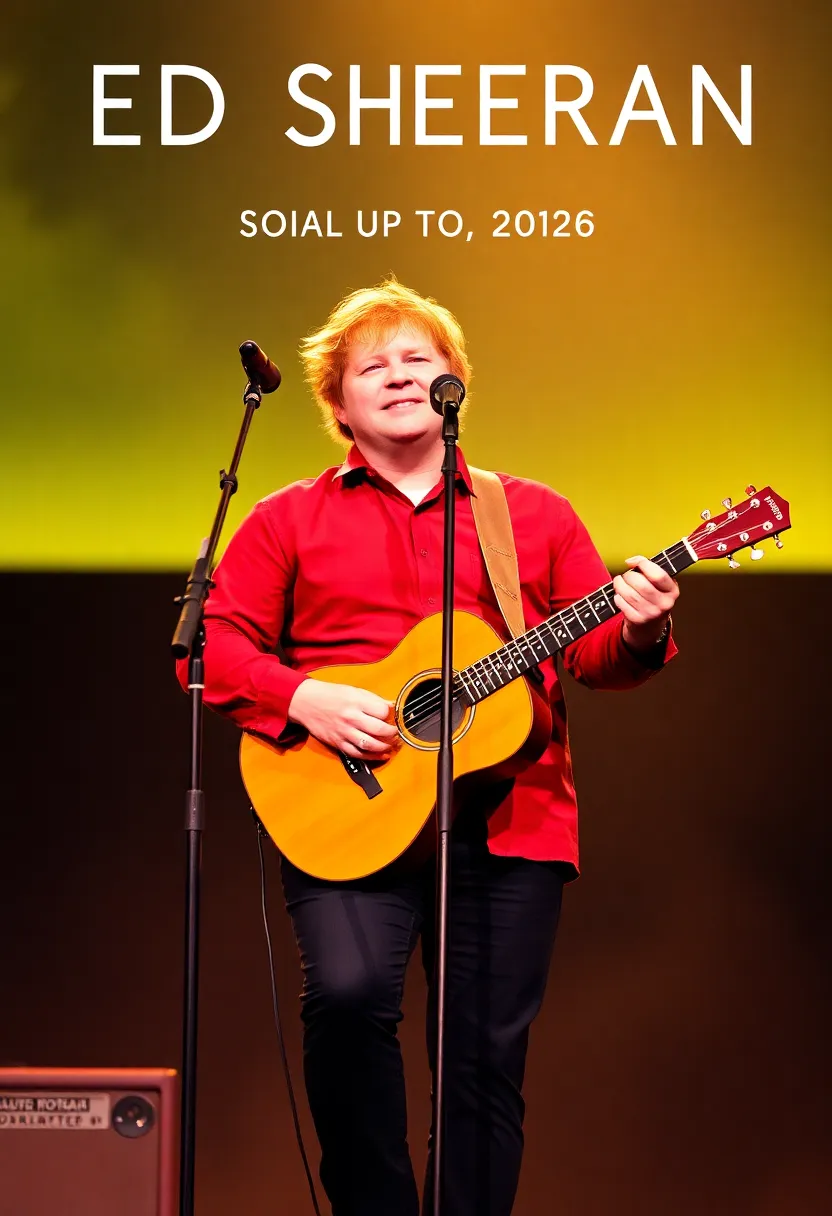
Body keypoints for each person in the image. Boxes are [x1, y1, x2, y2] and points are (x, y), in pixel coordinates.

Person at [178, 278, 679, 1215]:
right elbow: (210, 648)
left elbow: (595, 658)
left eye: (420, 359)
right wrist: (307, 697)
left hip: (510, 818)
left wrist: (643, 626)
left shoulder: (530, 514)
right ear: (338, 404)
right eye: (373, 365)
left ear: (456, 383)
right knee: (346, 1001)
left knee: (483, 1057)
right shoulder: (286, 518)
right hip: (344, 802)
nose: (401, 375)